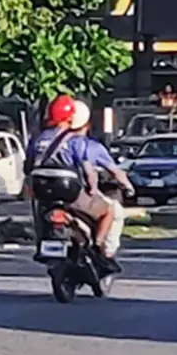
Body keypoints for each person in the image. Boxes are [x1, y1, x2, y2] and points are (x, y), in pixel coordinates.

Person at [31, 95, 132, 269]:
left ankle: (42, 244)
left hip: (43, 193)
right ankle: (98, 247)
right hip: (70, 194)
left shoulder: (37, 139)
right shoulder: (76, 142)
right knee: (107, 210)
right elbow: (88, 171)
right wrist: (92, 189)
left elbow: (28, 166)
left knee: (40, 216)